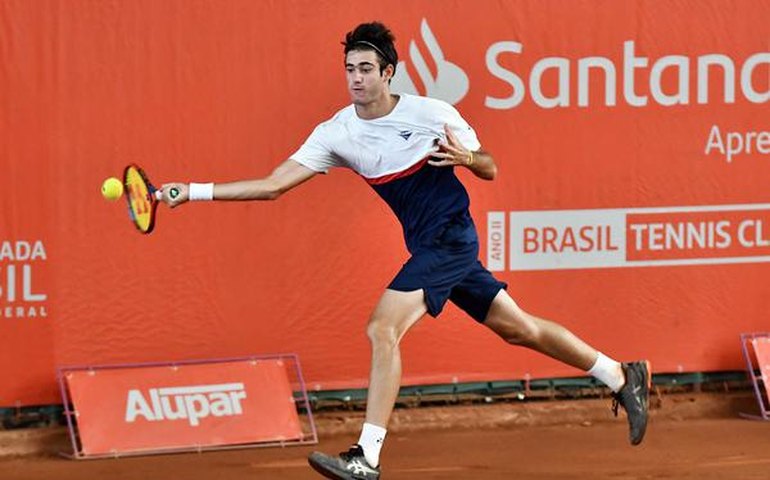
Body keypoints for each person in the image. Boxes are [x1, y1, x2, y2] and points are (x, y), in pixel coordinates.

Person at [159, 21, 651, 480]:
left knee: (382, 327)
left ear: (388, 72)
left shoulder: (432, 113)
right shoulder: (337, 133)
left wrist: (467, 157)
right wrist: (196, 190)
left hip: (451, 238)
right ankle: (619, 373)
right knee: (516, 328)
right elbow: (272, 185)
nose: (355, 78)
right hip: (428, 244)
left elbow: (490, 167)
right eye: (350, 68)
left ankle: (366, 455)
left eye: (366, 68)